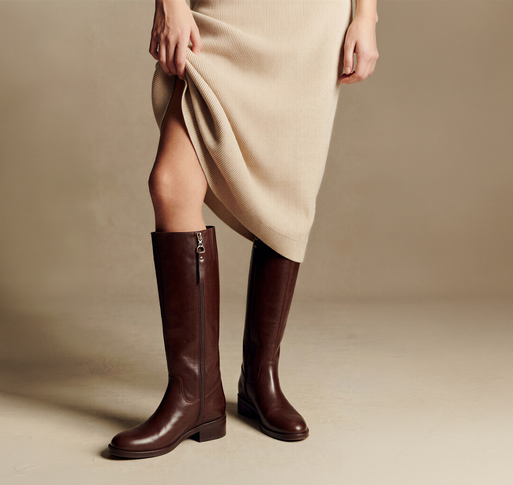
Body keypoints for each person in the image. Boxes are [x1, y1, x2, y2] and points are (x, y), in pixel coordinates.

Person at [108, 0, 378, 459]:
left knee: (287, 194)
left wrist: (366, 16)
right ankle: (195, 395)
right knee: (170, 185)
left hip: (311, 25)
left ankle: (259, 378)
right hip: (222, 14)